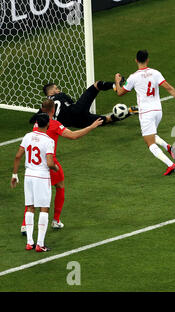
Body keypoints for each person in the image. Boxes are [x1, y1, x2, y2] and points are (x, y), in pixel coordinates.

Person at [20, 99, 103, 235]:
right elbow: (73, 136)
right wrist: (91, 126)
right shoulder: (54, 124)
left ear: (42, 109)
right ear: (53, 110)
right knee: (59, 186)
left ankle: (25, 225)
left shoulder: (37, 123)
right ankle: (56, 220)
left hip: (34, 165)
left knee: (32, 195)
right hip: (49, 163)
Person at [114, 50, 175, 176]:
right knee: (151, 134)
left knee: (150, 143)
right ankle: (168, 147)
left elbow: (120, 92)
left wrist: (117, 81)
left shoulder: (133, 77)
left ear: (136, 60)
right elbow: (168, 87)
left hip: (146, 113)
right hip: (158, 111)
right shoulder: (155, 73)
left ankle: (171, 165)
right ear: (147, 60)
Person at [11, 113, 59, 252]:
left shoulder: (27, 136)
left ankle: (29, 242)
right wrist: (55, 168)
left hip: (28, 175)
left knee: (30, 207)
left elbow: (18, 155)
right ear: (48, 125)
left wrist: (14, 174)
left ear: (36, 123)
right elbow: (50, 163)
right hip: (42, 177)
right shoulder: (49, 141)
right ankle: (40, 244)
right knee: (44, 208)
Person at [29, 80, 136, 128]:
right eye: (56, 88)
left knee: (106, 120)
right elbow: (71, 103)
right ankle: (115, 85)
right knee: (96, 85)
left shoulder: (45, 105)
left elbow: (33, 120)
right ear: (51, 91)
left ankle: (129, 111)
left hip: (74, 123)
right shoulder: (61, 95)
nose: (59, 90)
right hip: (77, 110)